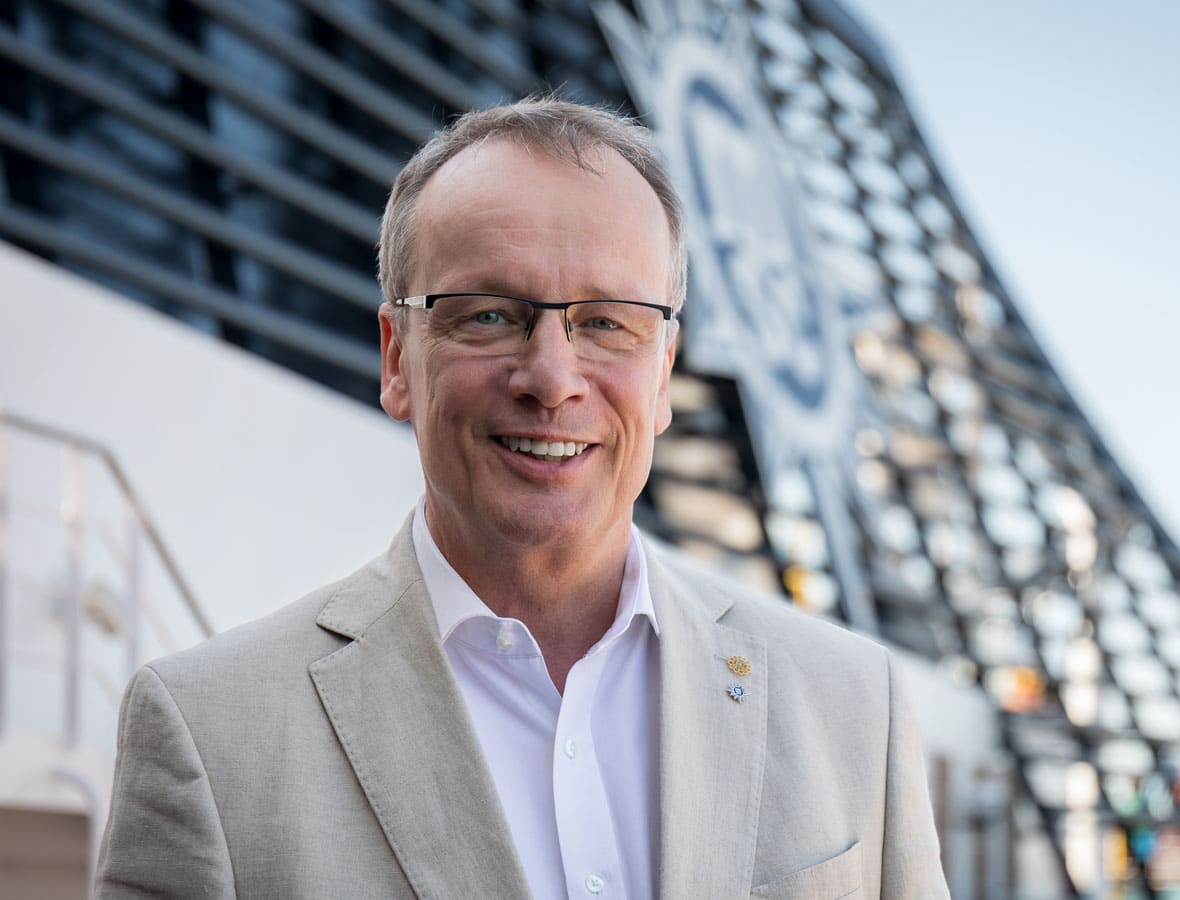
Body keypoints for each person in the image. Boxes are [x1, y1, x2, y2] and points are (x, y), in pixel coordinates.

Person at [95, 97, 949, 899]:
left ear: (664, 374)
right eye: (491, 316)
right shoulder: (211, 735)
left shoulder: (851, 705)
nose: (551, 378)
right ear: (398, 359)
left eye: (608, 322)